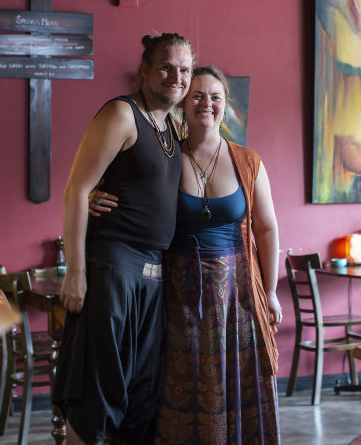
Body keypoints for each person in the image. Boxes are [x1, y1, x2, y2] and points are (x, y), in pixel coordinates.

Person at [52, 32, 194, 445]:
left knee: (141, 396)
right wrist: (75, 274)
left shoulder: (170, 127)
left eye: (184, 70)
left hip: (153, 276)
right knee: (98, 392)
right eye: (166, 66)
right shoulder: (122, 114)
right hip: (114, 265)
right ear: (144, 70)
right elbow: (77, 190)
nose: (176, 77)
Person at [153, 65, 282, 444]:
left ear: (225, 106)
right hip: (177, 295)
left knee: (239, 378)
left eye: (215, 97)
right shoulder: (164, 157)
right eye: (197, 95)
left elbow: (267, 228)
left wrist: (270, 291)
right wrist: (96, 197)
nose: (205, 104)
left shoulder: (248, 161)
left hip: (238, 295)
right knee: (182, 380)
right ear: (182, 103)